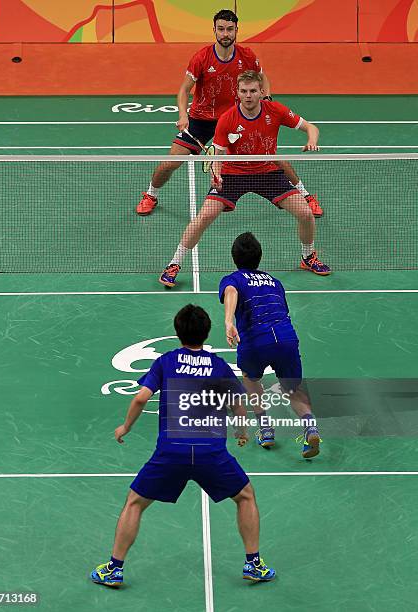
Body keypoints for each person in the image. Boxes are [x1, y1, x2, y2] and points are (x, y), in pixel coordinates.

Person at [90, 304, 276, 587]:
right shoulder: (219, 365)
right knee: (245, 497)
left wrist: (125, 426)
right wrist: (241, 431)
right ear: (207, 333)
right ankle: (254, 564)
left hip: (171, 451)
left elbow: (140, 398)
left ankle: (114, 568)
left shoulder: (165, 361)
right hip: (211, 452)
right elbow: (239, 404)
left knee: (135, 503)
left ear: (177, 333)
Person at [136, 9, 322, 217]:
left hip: (237, 118)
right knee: (170, 163)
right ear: (214, 30)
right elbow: (184, 90)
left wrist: (267, 100)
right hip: (201, 120)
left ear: (236, 31)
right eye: (221, 29)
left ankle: (306, 196)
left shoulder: (247, 55)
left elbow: (262, 78)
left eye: (230, 30)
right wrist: (183, 115)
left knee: (274, 159)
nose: (226, 34)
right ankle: (150, 195)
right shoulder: (202, 58)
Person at [159, 70, 330, 288]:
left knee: (305, 213)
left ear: (261, 92)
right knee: (202, 218)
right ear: (237, 93)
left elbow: (310, 127)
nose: (248, 95)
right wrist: (216, 174)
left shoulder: (275, 110)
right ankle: (174, 264)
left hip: (267, 172)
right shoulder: (227, 119)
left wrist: (311, 140)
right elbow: (218, 156)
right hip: (233, 174)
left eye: (252, 91)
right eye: (243, 91)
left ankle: (308, 257)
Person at [219, 232, 321, 457]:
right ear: (259, 257)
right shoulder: (275, 282)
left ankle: (265, 428)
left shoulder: (232, 280)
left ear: (234, 258)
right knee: (293, 389)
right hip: (286, 338)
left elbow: (231, 292)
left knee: (251, 379)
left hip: (256, 341)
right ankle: (310, 427)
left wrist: (228, 321)